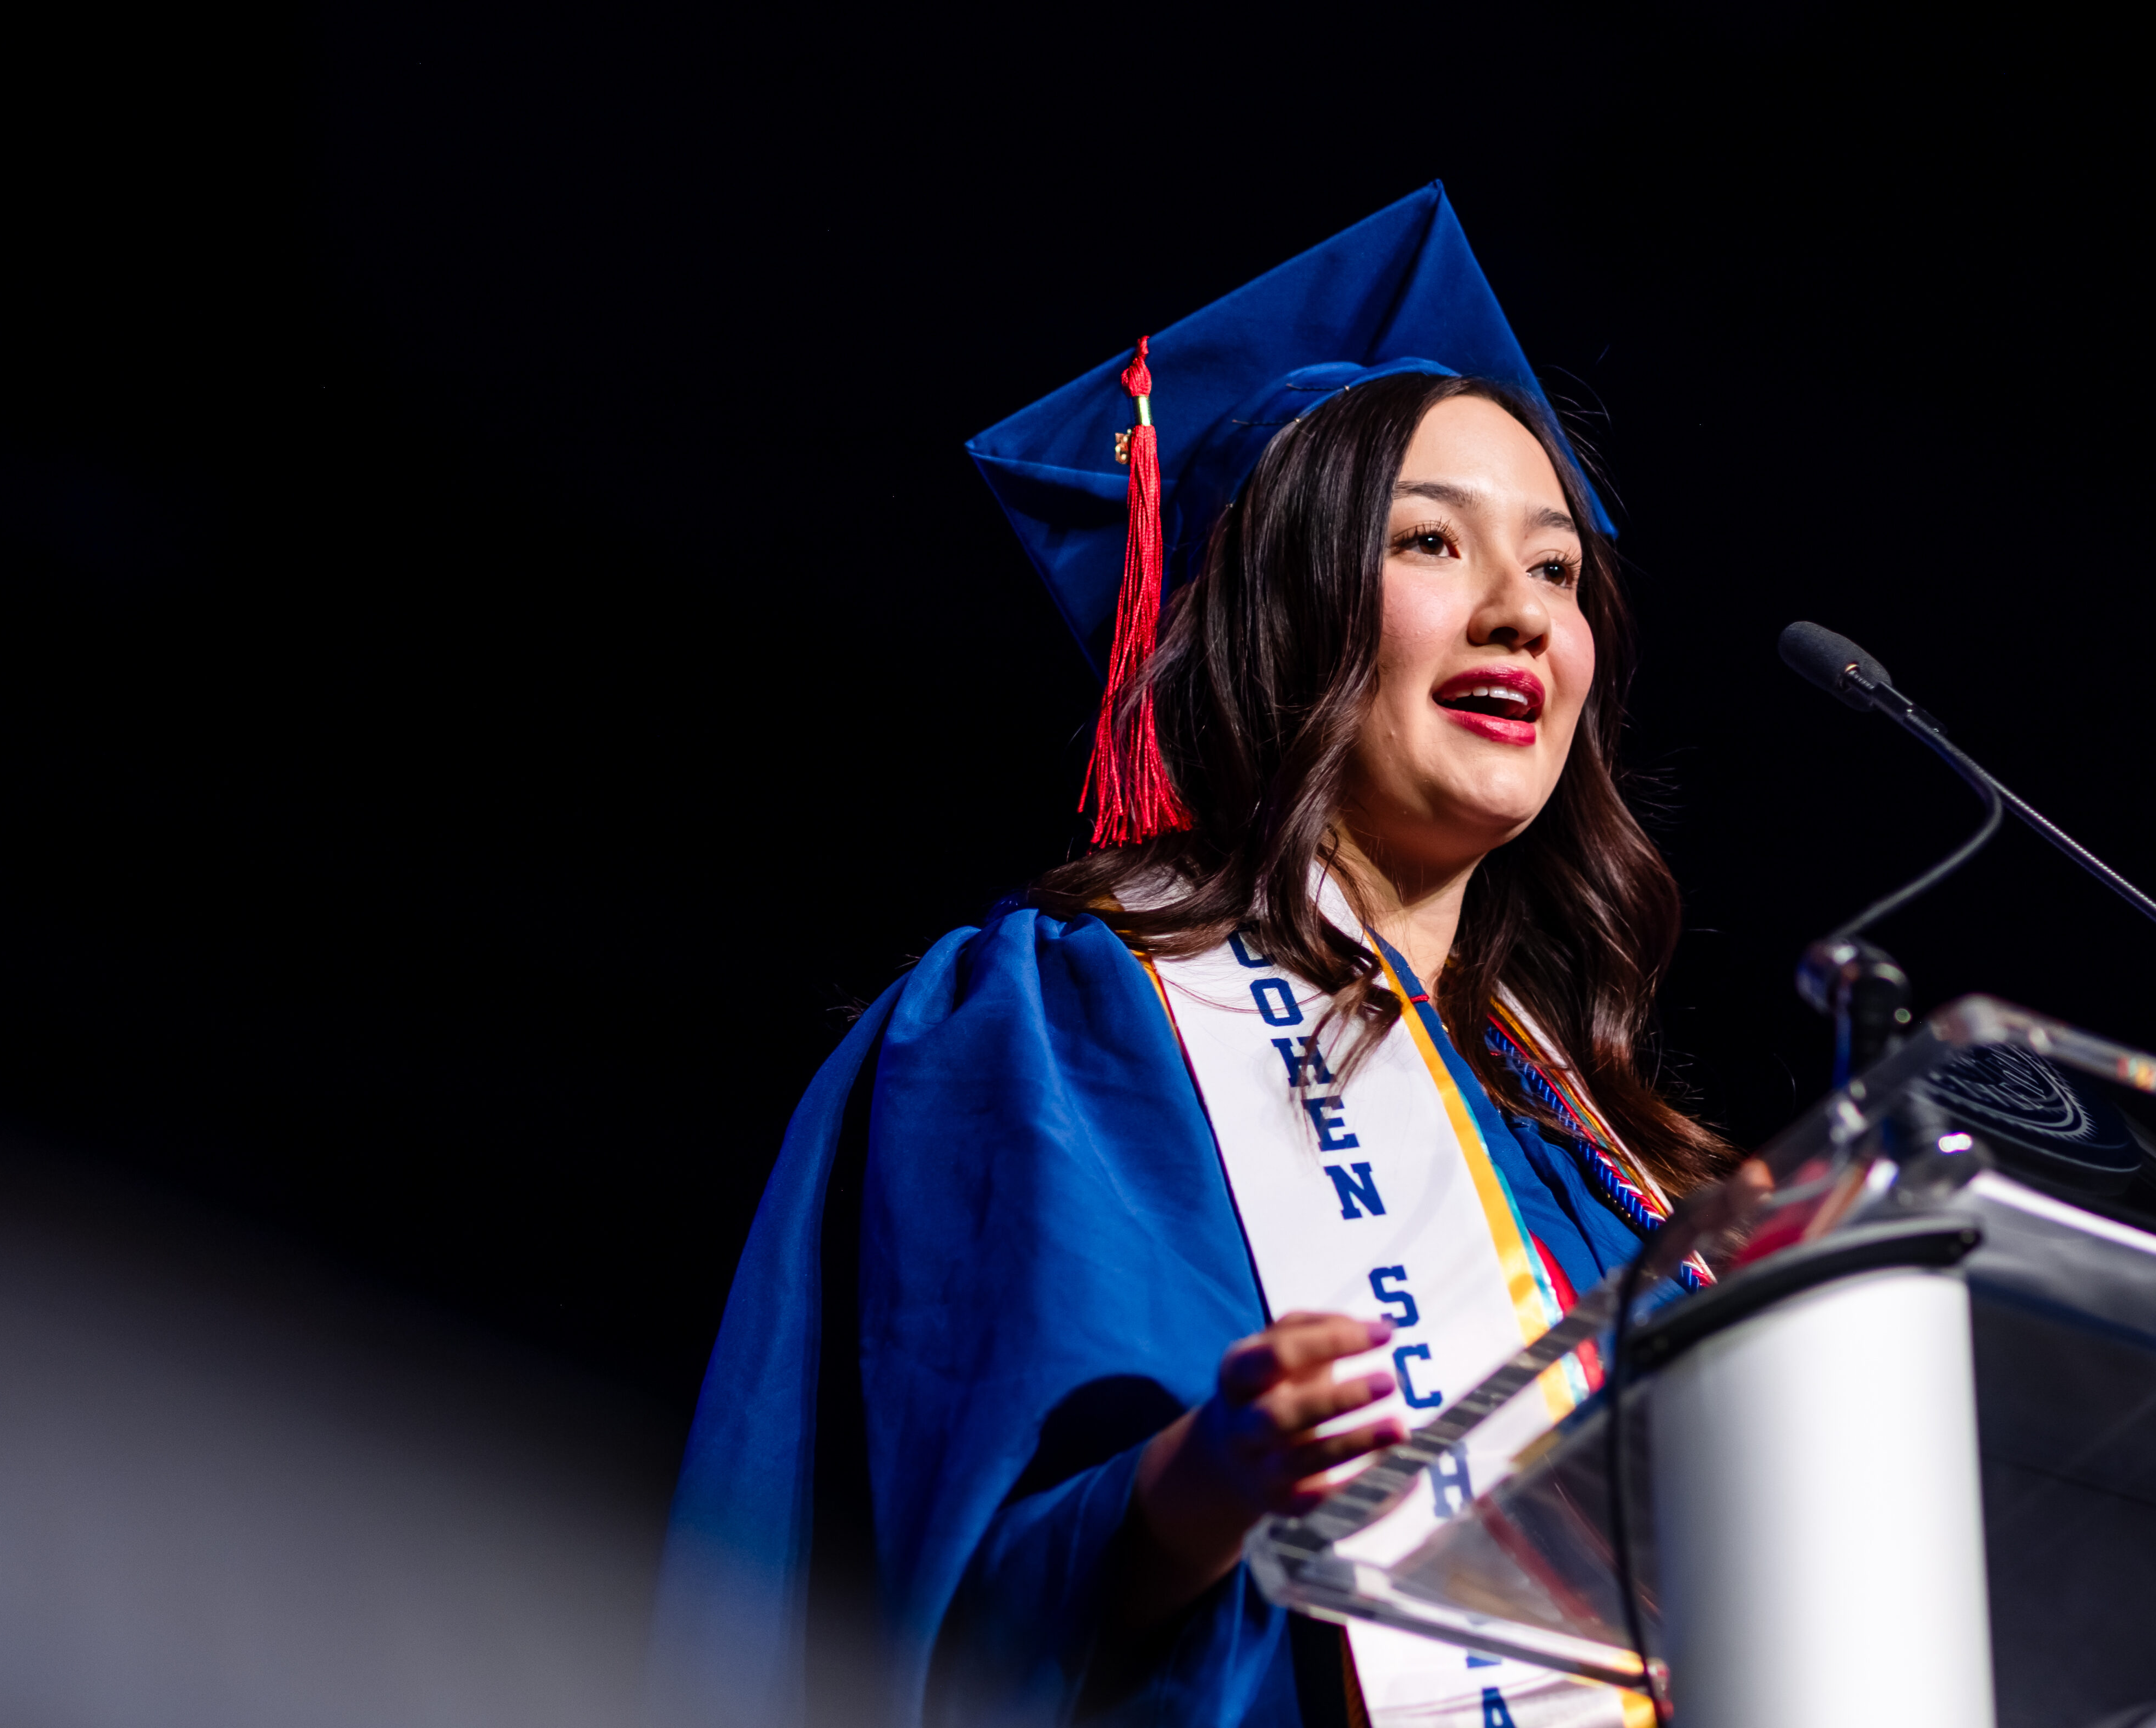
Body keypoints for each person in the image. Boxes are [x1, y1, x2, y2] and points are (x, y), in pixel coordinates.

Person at [655, 187, 1735, 1728]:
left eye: (1558, 572)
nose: (1520, 616)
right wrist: (1199, 1482)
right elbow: (932, 1602)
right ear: (1273, 615)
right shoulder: (1058, 1020)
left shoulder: (1591, 1144)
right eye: (1431, 542)